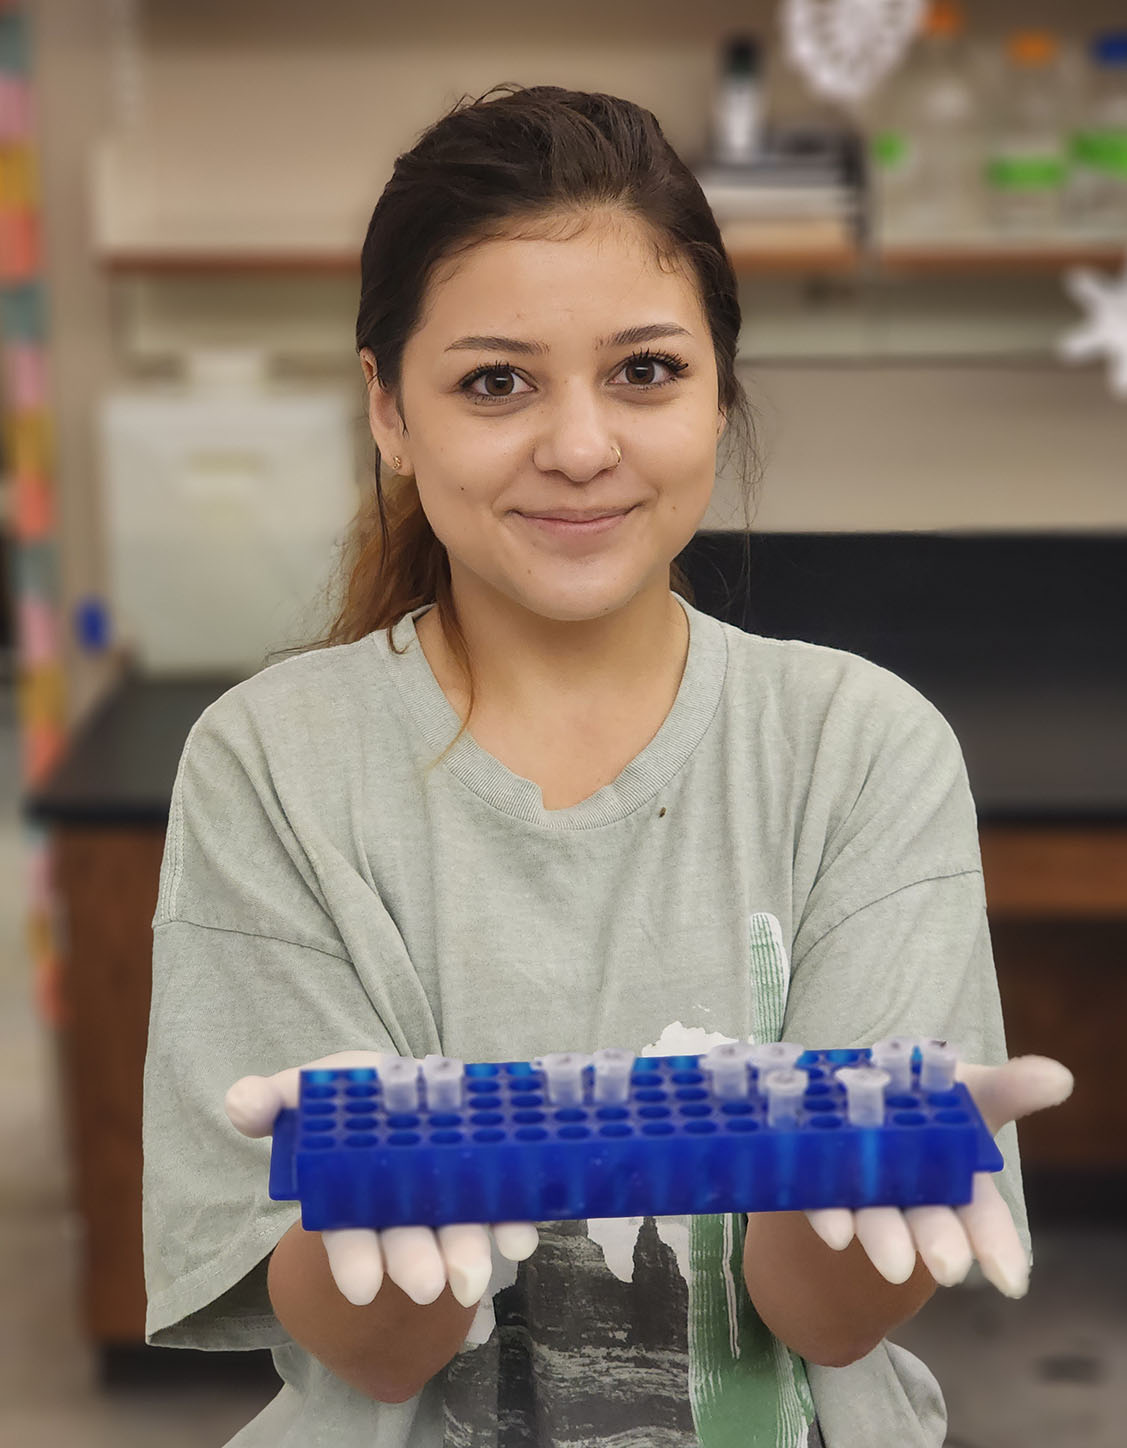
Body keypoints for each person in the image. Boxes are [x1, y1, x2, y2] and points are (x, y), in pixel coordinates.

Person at [141, 83, 1073, 1448]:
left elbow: (821, 1322)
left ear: (719, 387)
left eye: (644, 371)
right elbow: (378, 1360)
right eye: (495, 382)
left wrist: (882, 1186)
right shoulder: (273, 766)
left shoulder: (863, 753)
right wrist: (380, 1219)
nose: (580, 447)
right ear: (390, 410)